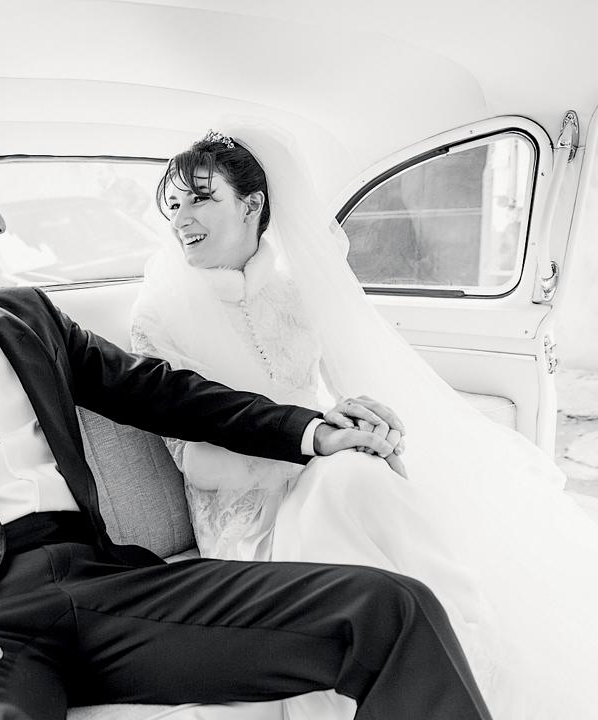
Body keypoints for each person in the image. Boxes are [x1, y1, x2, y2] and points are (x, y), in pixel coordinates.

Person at [0, 122, 492, 720]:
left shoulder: (29, 315)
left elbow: (163, 393)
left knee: (393, 608)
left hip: (111, 588)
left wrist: (312, 429)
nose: (0, 219)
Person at [131, 119, 598, 720]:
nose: (182, 219)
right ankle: (447, 656)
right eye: (174, 206)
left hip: (329, 476)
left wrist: (370, 424)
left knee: (362, 473)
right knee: (349, 479)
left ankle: (455, 643)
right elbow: (193, 461)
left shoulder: (295, 293)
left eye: (201, 199)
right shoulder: (157, 317)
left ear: (252, 205)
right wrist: (319, 441)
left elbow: (343, 390)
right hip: (246, 516)